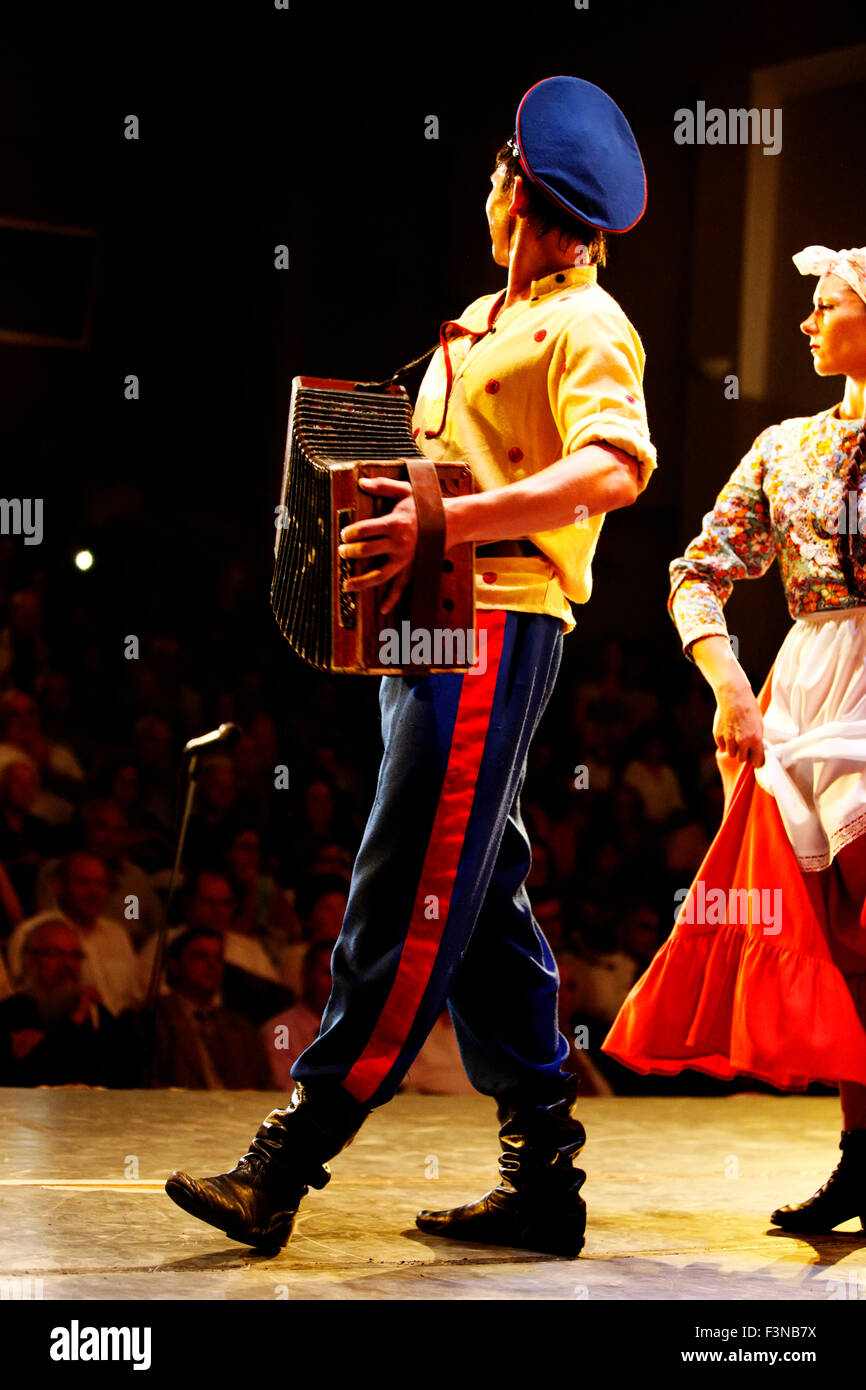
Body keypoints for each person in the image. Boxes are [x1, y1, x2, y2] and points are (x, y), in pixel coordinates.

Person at [165, 75, 656, 1258]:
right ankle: (543, 1172)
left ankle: (292, 1154)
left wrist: (445, 523)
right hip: (428, 630)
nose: (483, 188)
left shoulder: (587, 323)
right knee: (480, 896)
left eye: (496, 173)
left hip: (494, 621)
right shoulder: (479, 318)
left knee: (406, 884)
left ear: (525, 196)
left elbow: (613, 468)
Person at [604, 244, 866, 1233]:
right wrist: (728, 685)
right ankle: (859, 1154)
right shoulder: (784, 446)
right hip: (806, 691)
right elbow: (694, 570)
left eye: (823, 305)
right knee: (838, 946)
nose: (804, 322)